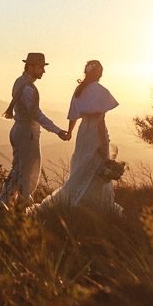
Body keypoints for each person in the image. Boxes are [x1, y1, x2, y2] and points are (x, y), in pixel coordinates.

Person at [33, 59, 123, 216]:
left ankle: (78, 200)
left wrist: (70, 132)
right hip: (96, 134)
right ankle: (95, 205)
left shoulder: (80, 90)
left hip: (83, 133)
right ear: (100, 74)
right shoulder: (101, 91)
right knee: (97, 167)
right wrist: (104, 145)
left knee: (82, 166)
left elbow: (73, 115)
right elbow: (100, 122)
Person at [0, 52, 70, 208]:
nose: (43, 71)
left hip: (18, 130)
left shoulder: (19, 82)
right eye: (41, 67)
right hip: (27, 133)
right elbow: (35, 114)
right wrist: (57, 130)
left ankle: (4, 203)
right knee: (28, 170)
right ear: (30, 67)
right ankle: (24, 204)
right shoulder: (28, 89)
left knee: (18, 167)